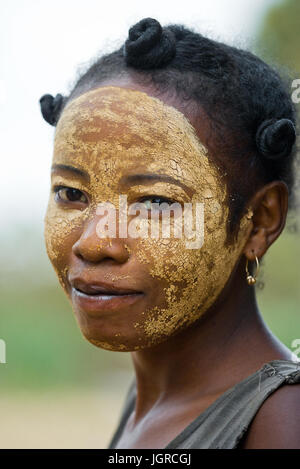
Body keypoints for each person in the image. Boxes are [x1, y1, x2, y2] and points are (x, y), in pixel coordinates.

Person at [39, 18, 300, 449]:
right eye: (71, 192)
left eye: (156, 202)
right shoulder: (149, 402)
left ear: (258, 220)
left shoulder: (281, 420)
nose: (93, 242)